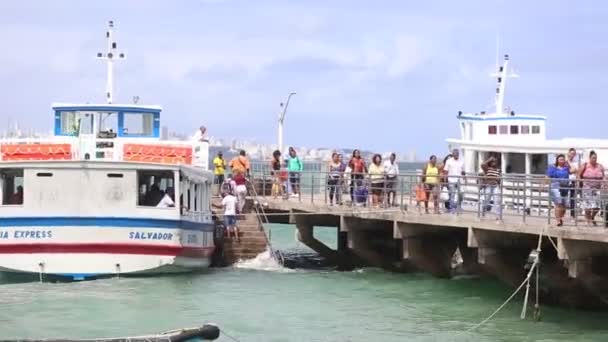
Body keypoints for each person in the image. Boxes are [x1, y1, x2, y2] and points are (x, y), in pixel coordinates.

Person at [579, 150, 604, 226]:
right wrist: (579, 184)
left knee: (597, 205)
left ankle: (592, 217)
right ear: (590, 158)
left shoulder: (600, 166)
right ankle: (588, 220)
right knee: (587, 205)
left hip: (597, 188)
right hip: (587, 188)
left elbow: (603, 176)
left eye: (595, 158)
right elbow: (579, 175)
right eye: (593, 158)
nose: (594, 159)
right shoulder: (585, 165)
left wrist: (604, 183)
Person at [547, 154, 571, 227]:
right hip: (555, 187)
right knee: (558, 204)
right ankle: (558, 220)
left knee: (564, 206)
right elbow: (547, 176)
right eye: (560, 159)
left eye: (563, 159)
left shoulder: (566, 168)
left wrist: (568, 162)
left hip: (565, 187)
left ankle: (560, 218)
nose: (562, 161)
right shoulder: (553, 168)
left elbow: (574, 170)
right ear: (557, 160)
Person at [481, 156, 502, 220]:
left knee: (497, 201)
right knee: (486, 199)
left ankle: (497, 216)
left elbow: (499, 179)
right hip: (489, 186)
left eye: (495, 162)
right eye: (493, 162)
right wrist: (489, 159)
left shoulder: (498, 170)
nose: (494, 163)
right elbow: (482, 165)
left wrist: (497, 181)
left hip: (495, 186)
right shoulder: (488, 169)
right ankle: (483, 211)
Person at [444, 149, 465, 214]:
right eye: (455, 154)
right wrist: (445, 181)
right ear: (453, 154)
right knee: (452, 194)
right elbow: (446, 171)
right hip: (451, 180)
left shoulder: (462, 161)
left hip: (460, 180)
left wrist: (464, 176)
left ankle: (459, 206)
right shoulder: (448, 161)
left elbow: (463, 172)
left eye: (457, 154)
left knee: (461, 194)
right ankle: (452, 208)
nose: (456, 155)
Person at [566, 148, 580, 220]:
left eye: (574, 154)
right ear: (568, 153)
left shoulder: (575, 162)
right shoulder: (564, 161)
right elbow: (566, 171)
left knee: (573, 199)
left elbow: (576, 171)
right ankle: (561, 215)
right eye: (571, 153)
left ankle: (573, 215)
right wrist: (571, 170)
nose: (572, 155)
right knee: (563, 199)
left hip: (573, 182)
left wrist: (578, 182)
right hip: (565, 181)